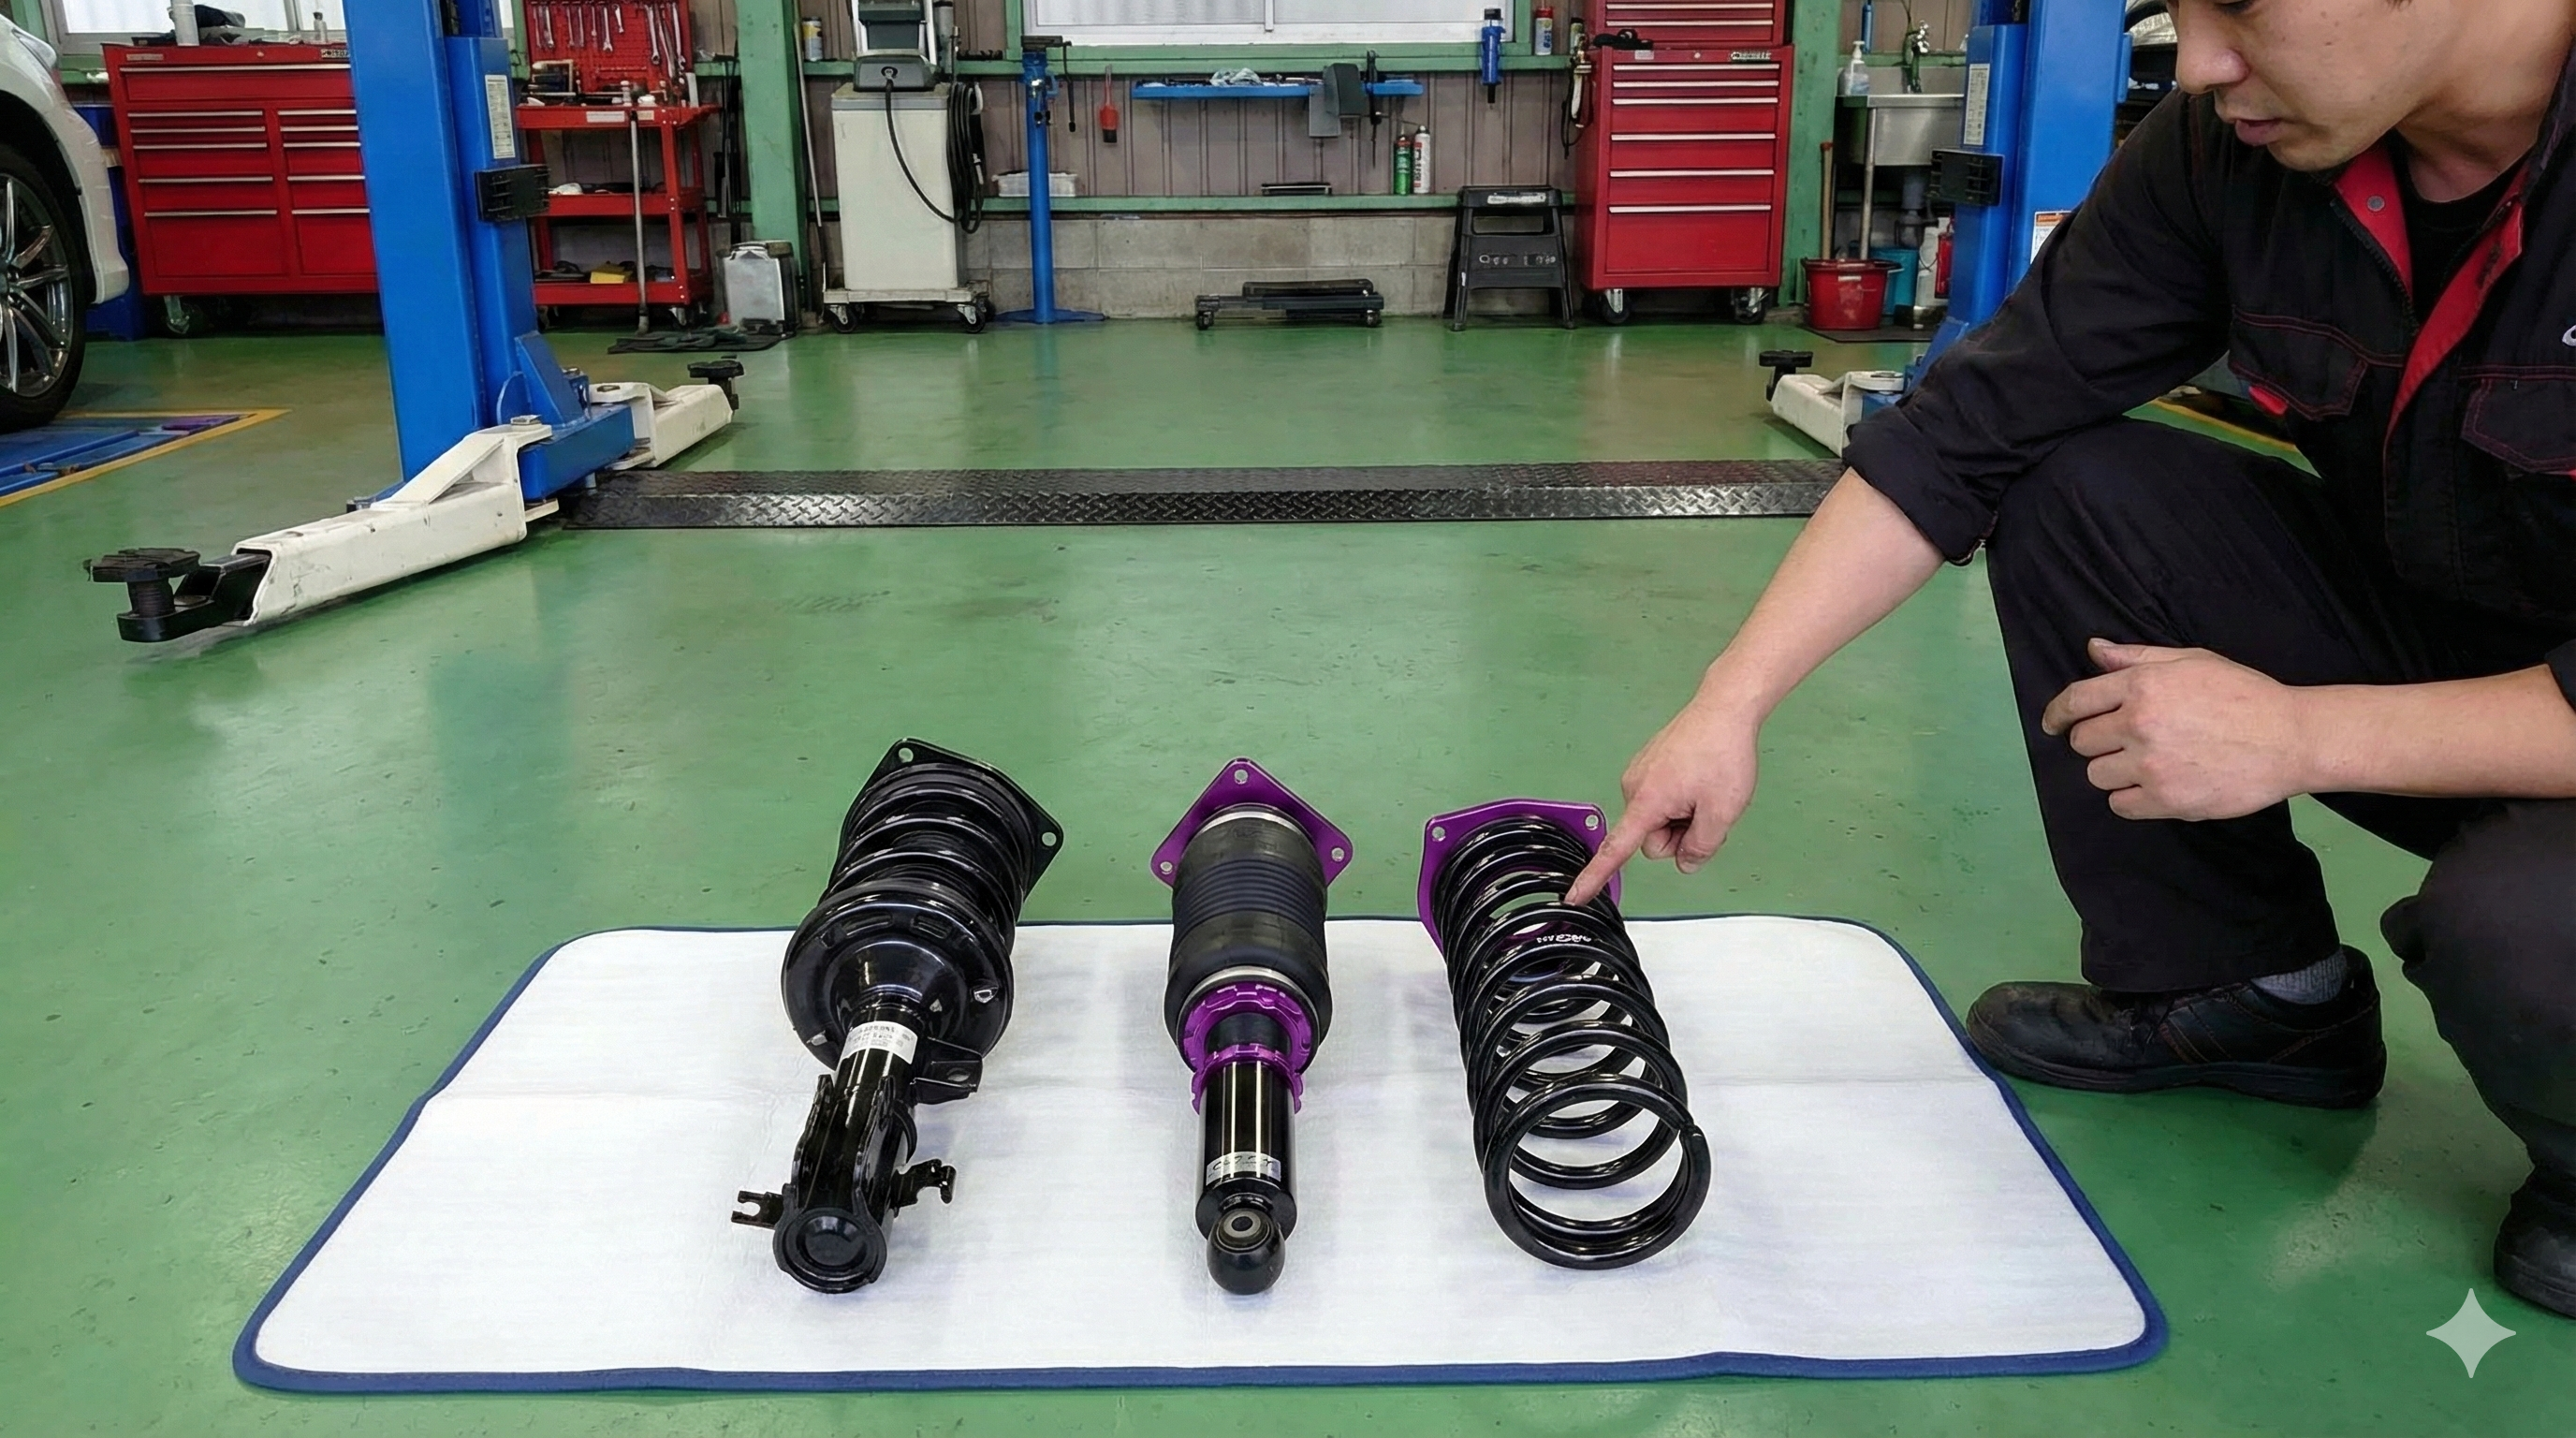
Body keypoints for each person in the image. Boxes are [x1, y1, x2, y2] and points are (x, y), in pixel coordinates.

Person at [1566, 0, 2576, 1313]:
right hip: (2448, 630)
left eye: (2241, 6)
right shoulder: (2232, 146)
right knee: (2079, 485)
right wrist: (1730, 702)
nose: (2200, 62)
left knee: (2526, 934)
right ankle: (2252, 991)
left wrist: (2303, 734)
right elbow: (1972, 428)